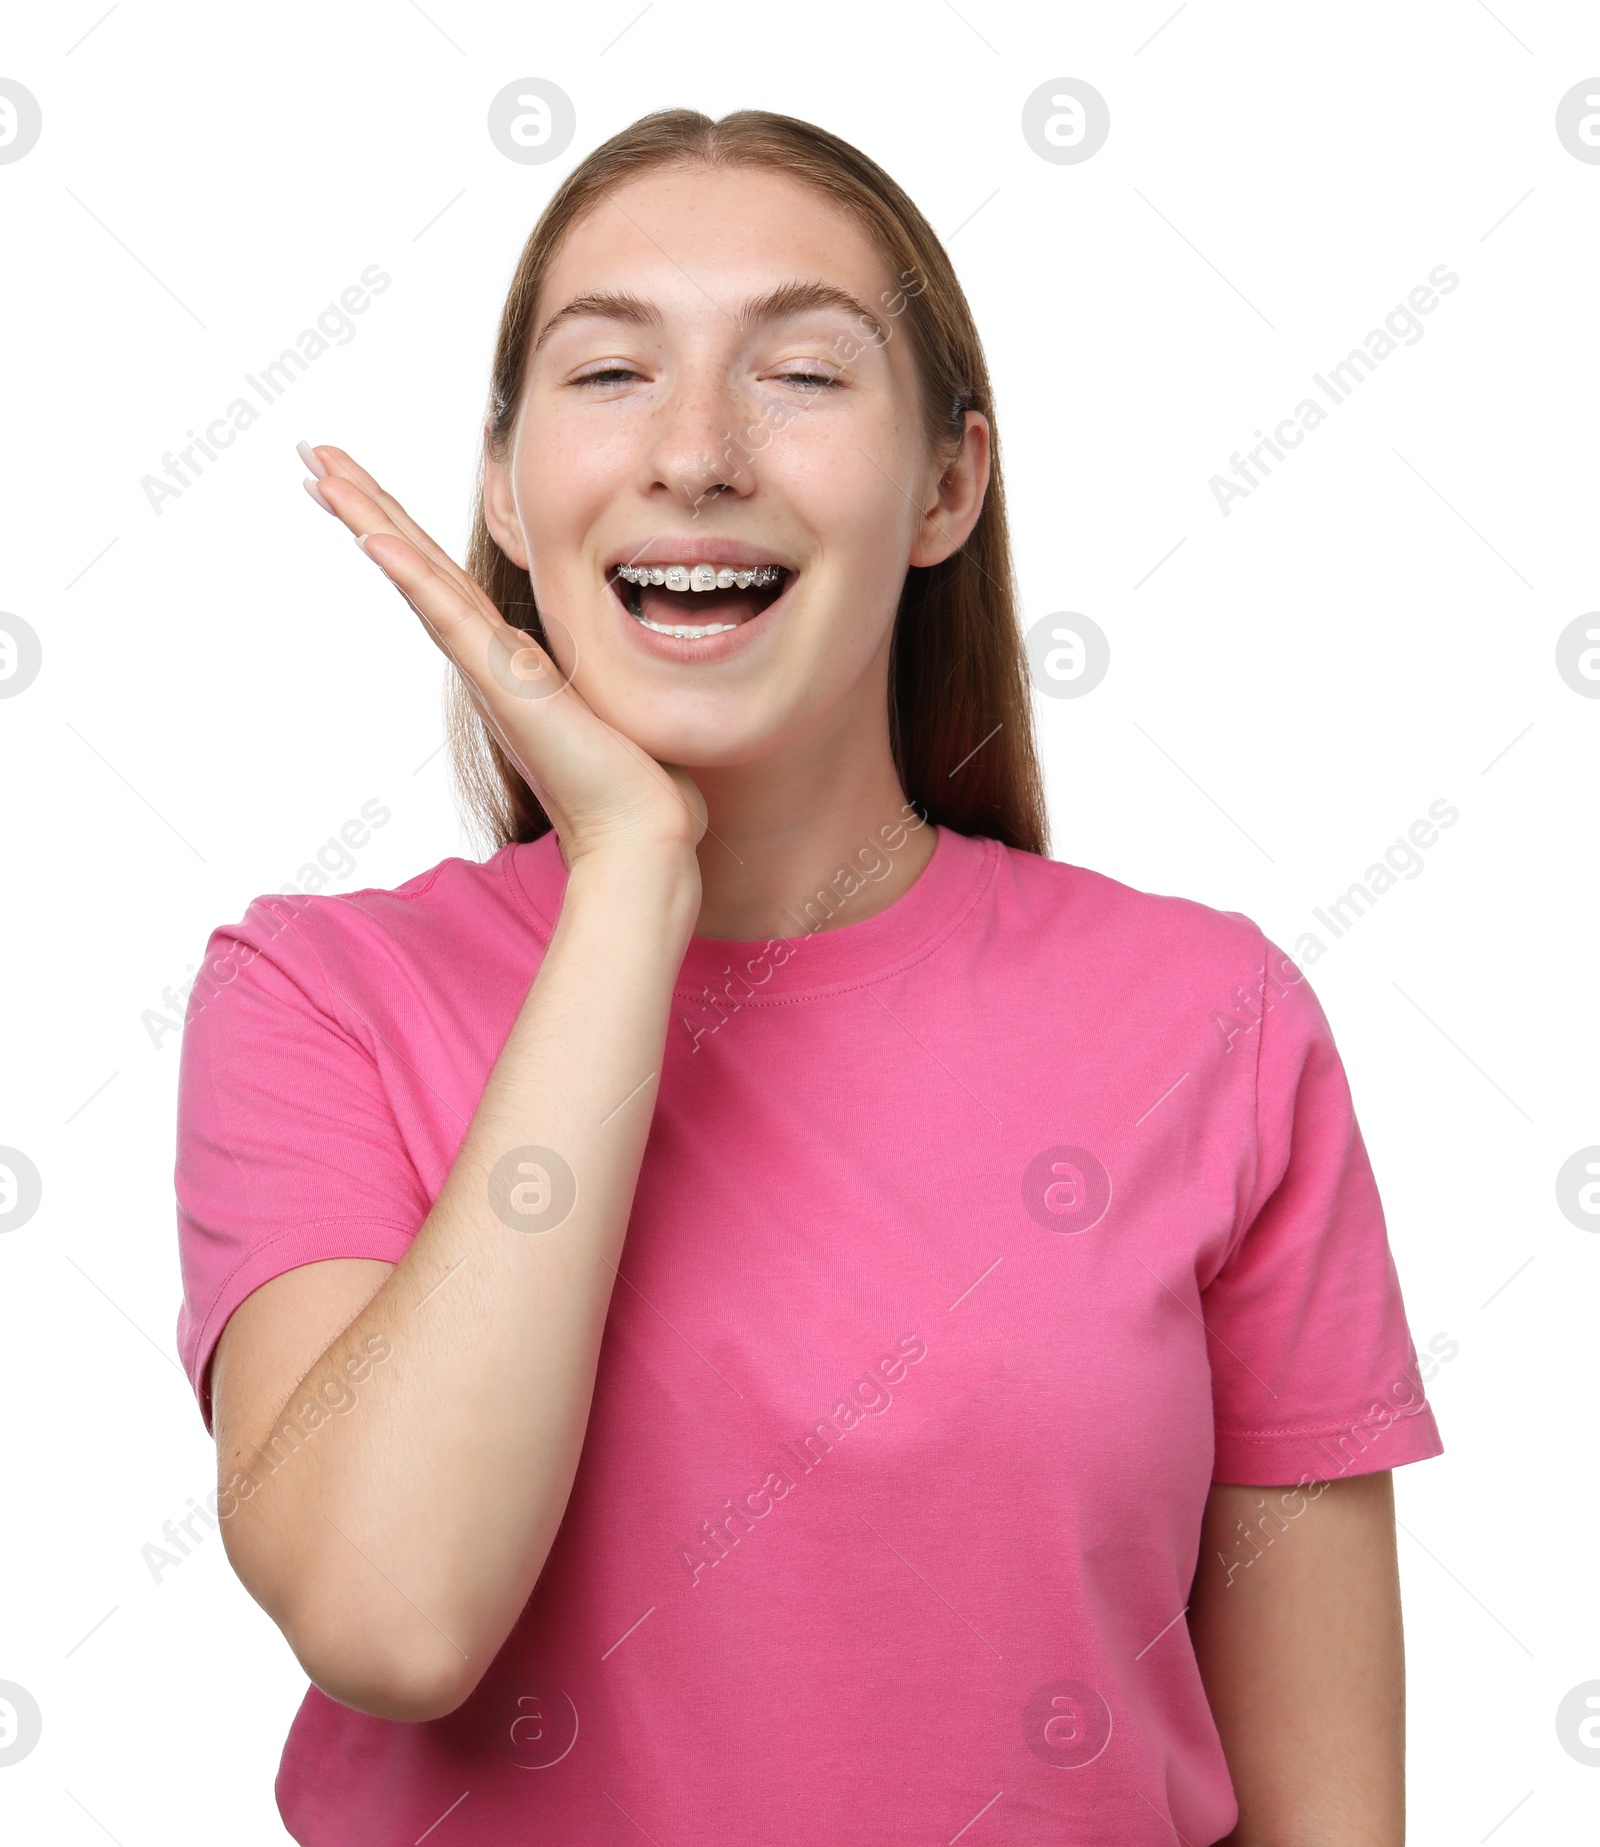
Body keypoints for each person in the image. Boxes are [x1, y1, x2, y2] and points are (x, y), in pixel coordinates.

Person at [173, 107, 1443, 1846]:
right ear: (503, 481)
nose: (695, 453)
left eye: (803, 376)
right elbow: (395, 1617)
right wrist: (631, 869)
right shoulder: (319, 999)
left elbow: (1331, 1818)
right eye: (610, 371)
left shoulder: (1209, 1025)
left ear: (946, 488)